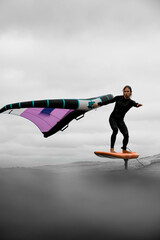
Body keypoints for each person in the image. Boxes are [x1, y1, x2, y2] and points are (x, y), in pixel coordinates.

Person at [93, 86, 142, 153]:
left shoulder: (131, 102)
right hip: (113, 118)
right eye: (125, 91)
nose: (126, 93)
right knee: (115, 130)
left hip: (120, 121)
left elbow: (135, 104)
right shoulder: (118, 98)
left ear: (130, 93)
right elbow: (108, 101)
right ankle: (112, 149)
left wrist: (137, 105)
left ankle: (124, 150)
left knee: (126, 135)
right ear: (123, 92)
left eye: (127, 91)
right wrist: (98, 104)